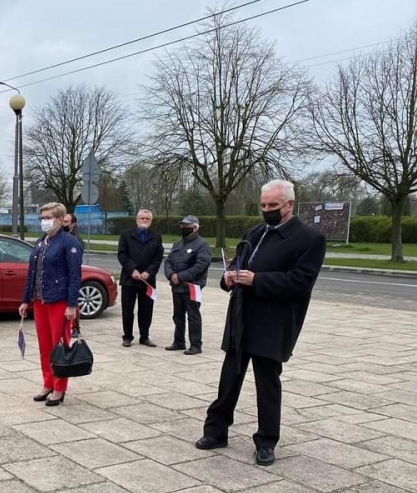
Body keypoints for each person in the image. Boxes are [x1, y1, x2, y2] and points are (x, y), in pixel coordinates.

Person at [196, 180, 326, 466]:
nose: (267, 210)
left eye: (273, 205)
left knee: (267, 384)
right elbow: (237, 263)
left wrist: (257, 280)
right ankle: (216, 431)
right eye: (263, 205)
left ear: (289, 205)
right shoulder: (255, 232)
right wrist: (230, 277)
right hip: (241, 316)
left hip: (274, 323)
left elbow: (301, 282)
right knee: (229, 379)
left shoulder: (309, 239)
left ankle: (266, 441)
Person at [19, 202, 82, 407]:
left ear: (60, 219)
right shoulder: (41, 242)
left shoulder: (69, 242)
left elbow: (75, 276)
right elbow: (32, 273)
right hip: (40, 300)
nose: (44, 221)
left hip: (59, 301)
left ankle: (59, 387)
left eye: (48, 218)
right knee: (44, 346)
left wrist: (72, 305)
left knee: (59, 346)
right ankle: (48, 383)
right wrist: (25, 300)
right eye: (42, 218)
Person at [164, 215, 212, 355]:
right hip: (177, 287)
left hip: (192, 287)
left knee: (193, 315)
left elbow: (200, 266)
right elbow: (168, 262)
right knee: (177, 315)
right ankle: (179, 342)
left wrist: (180, 277)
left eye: (186, 226)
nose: (183, 228)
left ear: (195, 228)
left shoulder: (202, 245)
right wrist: (171, 275)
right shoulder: (178, 244)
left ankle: (196, 345)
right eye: (182, 225)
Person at [116, 209, 163, 347]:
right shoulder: (126, 235)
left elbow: (158, 258)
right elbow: (122, 254)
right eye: (142, 218)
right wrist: (132, 269)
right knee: (127, 310)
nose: (145, 220)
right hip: (129, 278)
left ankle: (144, 336)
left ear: (151, 221)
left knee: (146, 310)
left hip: (147, 280)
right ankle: (127, 336)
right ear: (137, 220)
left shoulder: (156, 237)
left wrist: (149, 272)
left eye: (147, 219)